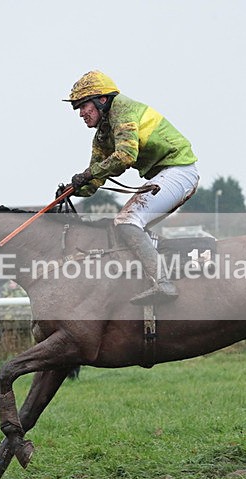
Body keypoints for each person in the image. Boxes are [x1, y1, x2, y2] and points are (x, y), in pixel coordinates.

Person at [64, 70, 199, 305]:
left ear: (102, 100)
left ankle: (162, 283)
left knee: (127, 221)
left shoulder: (123, 110)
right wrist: (73, 190)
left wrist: (87, 174)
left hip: (179, 170)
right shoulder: (102, 136)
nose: (81, 114)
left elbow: (126, 155)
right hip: (162, 175)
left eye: (84, 106)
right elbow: (96, 178)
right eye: (78, 109)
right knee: (126, 227)